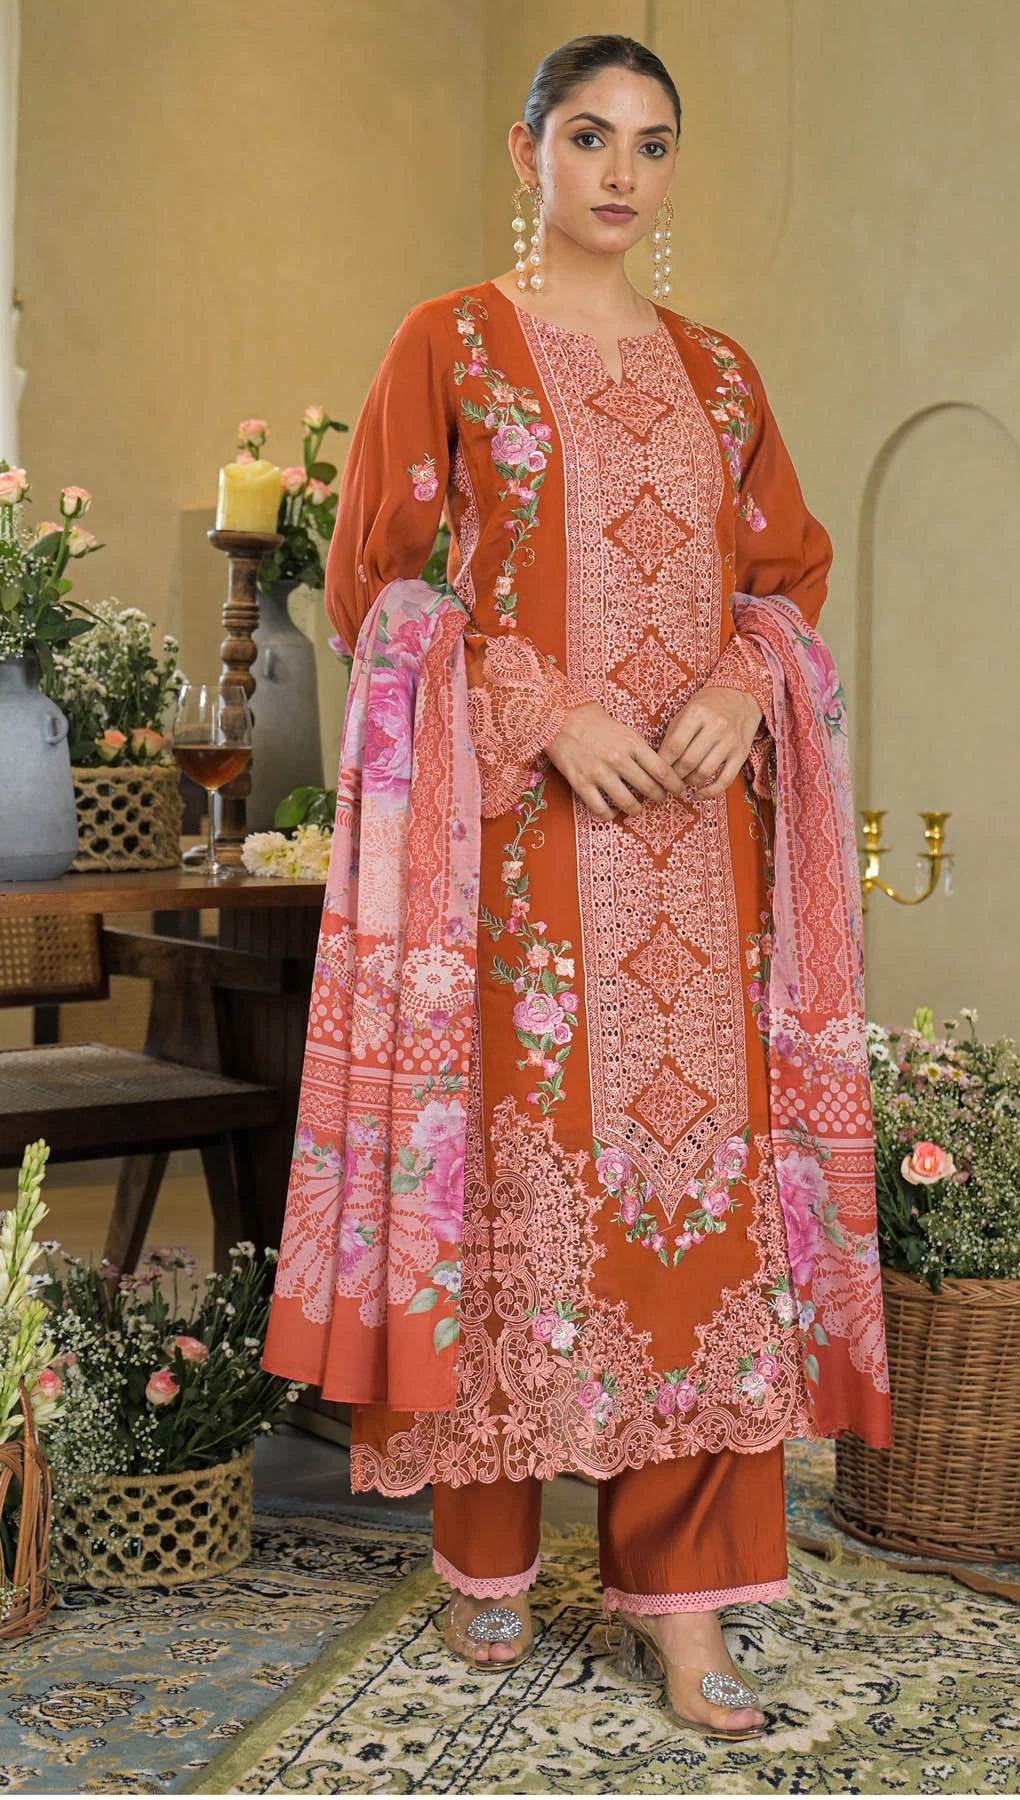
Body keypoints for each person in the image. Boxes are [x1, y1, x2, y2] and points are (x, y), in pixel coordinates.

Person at [263, 32, 890, 1741]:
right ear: (527, 148)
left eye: (653, 143)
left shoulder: (723, 374)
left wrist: (746, 687)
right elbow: (380, 591)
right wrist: (541, 715)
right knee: (521, 1207)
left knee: (698, 1224)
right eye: (592, 136)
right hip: (521, 862)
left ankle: (690, 1614)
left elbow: (785, 581)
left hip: (700, 858)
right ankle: (486, 1560)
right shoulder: (450, 343)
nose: (623, 171)